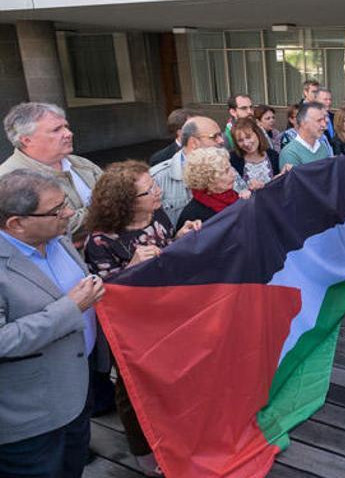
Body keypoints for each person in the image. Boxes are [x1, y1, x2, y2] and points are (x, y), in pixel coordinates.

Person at [83, 161, 200, 477]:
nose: (158, 191)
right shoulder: (101, 241)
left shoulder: (156, 217)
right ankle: (143, 453)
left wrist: (179, 239)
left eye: (154, 185)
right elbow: (103, 293)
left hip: (167, 320)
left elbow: (164, 256)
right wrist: (131, 266)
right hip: (131, 333)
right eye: (149, 190)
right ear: (126, 202)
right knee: (132, 390)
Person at [0, 169, 105, 478]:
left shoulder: (57, 238)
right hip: (31, 416)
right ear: (16, 224)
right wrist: (70, 309)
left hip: (78, 391)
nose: (70, 212)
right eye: (57, 209)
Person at [1, 102, 103, 246]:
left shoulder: (81, 163)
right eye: (56, 130)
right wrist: (108, 209)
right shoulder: (9, 180)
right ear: (27, 140)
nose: (68, 133)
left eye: (66, 126)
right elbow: (62, 226)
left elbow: (118, 195)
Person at [150, 116, 224, 227]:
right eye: (214, 137)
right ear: (194, 142)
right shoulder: (157, 178)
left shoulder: (225, 166)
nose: (221, 141)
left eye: (220, 135)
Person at [177, 147, 249, 231]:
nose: (233, 174)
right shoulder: (192, 215)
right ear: (208, 180)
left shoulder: (234, 195)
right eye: (225, 171)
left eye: (230, 168)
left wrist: (250, 200)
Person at [229, 117, 282, 190]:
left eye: (248, 137)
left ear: (258, 134)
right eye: (240, 140)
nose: (246, 143)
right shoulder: (233, 159)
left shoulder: (273, 156)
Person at [279, 101, 333, 168]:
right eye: (319, 120)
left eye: (325, 120)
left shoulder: (322, 147)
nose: (324, 125)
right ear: (303, 123)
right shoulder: (290, 153)